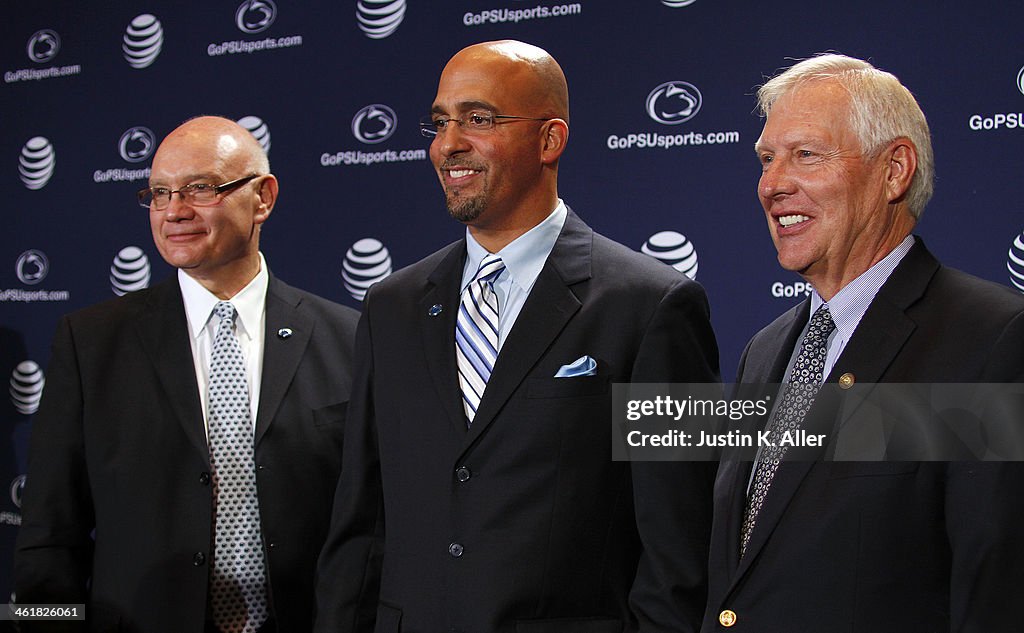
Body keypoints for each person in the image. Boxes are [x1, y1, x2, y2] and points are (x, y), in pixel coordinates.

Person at [314, 40, 720, 633]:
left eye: (479, 119)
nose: (448, 144)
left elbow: (676, 553)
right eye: (440, 122)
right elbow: (360, 523)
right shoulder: (391, 305)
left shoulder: (652, 305)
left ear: (550, 140)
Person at [703, 54, 1024, 632]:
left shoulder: (992, 340)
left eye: (807, 155)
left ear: (895, 170)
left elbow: (994, 590)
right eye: (767, 159)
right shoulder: (766, 348)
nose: (774, 184)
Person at [14, 116, 359, 633]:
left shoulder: (351, 339)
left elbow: (372, 527)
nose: (174, 211)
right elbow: (47, 538)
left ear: (263, 197)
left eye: (201, 188)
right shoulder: (90, 344)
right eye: (158, 193)